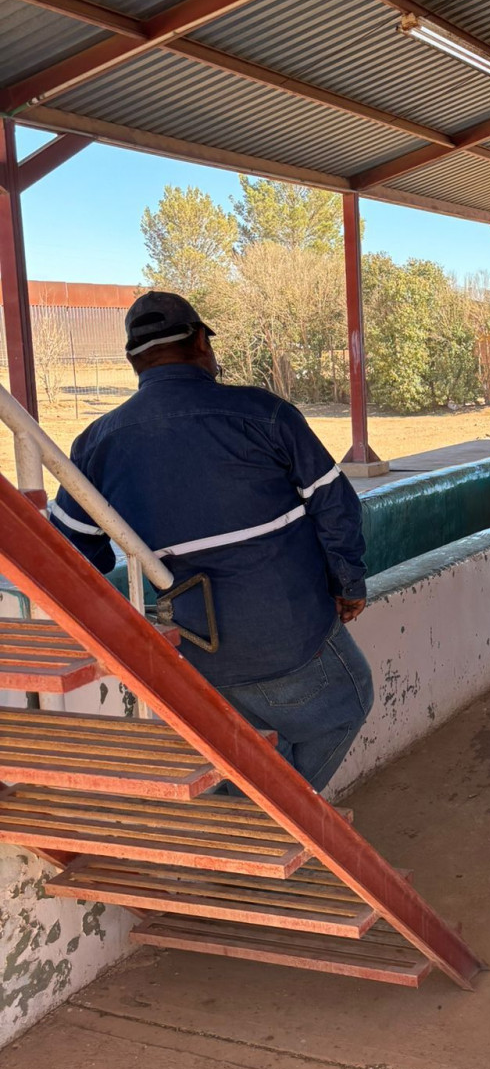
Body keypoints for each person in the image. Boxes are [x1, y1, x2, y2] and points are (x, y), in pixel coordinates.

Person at [49, 292, 373, 798]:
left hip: (195, 645)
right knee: (346, 703)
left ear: (134, 360)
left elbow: (69, 557)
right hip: (290, 633)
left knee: (235, 750)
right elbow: (336, 509)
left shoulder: (95, 444)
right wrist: (348, 583)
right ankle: (270, 818)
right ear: (201, 340)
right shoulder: (264, 414)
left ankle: (243, 818)